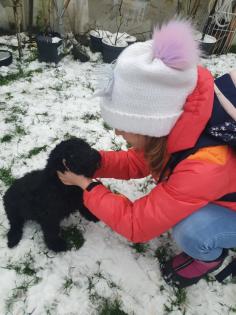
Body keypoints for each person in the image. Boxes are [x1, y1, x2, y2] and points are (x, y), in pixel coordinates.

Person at [57, 19, 236, 288]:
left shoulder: (205, 164)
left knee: (190, 230)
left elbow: (137, 225)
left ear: (151, 124)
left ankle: (208, 256)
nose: (118, 134)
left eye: (124, 126)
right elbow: (137, 161)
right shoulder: (180, 125)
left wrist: (87, 185)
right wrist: (94, 162)